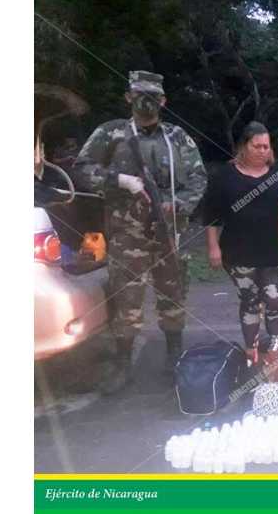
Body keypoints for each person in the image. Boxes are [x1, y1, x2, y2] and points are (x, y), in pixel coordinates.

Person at [73, 71, 207, 394]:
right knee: (126, 299)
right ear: (128, 97)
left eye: (152, 96)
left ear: (163, 100)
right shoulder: (111, 133)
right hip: (126, 235)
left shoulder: (177, 137)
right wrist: (118, 180)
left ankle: (174, 358)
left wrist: (177, 205)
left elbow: (198, 178)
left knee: (173, 296)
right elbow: (81, 169)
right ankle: (122, 366)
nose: (146, 101)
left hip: (169, 233)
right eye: (139, 94)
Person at [202, 122, 278, 362]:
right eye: (257, 146)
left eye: (266, 146)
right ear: (243, 146)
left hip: (276, 252)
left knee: (275, 299)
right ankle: (251, 352)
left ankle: (275, 352)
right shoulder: (224, 176)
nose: (263, 151)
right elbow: (211, 215)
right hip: (238, 252)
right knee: (250, 300)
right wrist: (213, 247)